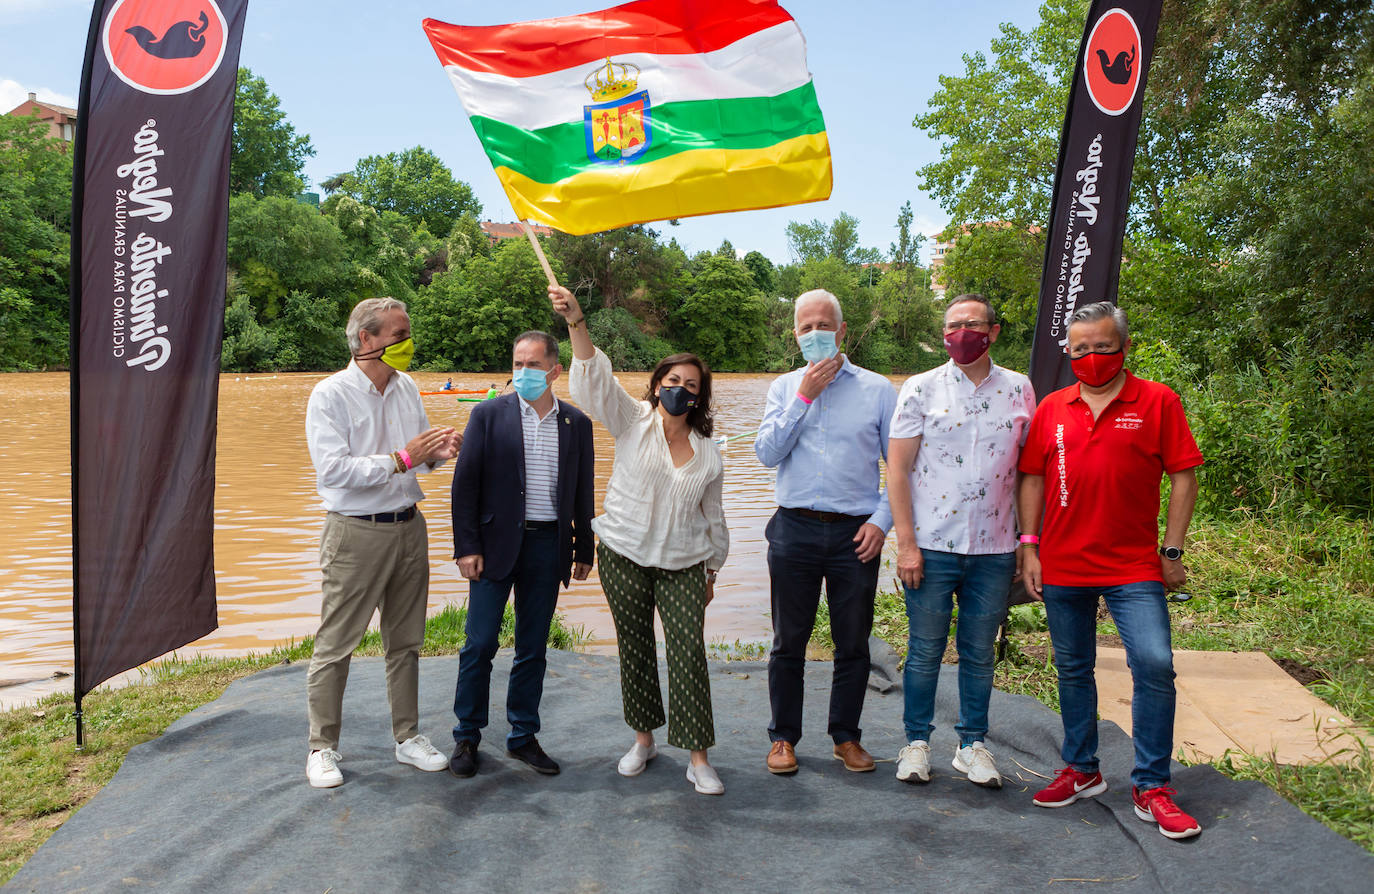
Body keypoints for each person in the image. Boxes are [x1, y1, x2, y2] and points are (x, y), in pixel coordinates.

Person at [1018, 301, 1204, 840]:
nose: (1091, 357)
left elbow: (1185, 475)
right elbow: (1031, 476)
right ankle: (1082, 768)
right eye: (1080, 349)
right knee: (1072, 669)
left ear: (1123, 346)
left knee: (1153, 664)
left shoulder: (1158, 401)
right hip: (1063, 562)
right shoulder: (1052, 406)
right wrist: (1029, 547)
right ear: (1068, 352)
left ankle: (1152, 785)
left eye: (1102, 347)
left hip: (1132, 565)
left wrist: (1171, 551)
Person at [550, 284, 731, 796]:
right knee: (633, 648)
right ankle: (644, 740)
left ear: (700, 396)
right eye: (673, 380)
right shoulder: (632, 422)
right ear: (656, 386)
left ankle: (697, 758)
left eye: (691, 385)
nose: (681, 389)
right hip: (623, 555)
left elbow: (714, 518)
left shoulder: (709, 453)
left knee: (688, 652)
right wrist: (576, 322)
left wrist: (713, 569)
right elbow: (595, 382)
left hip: (684, 564)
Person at [303, 297, 462, 788]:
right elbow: (333, 471)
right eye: (398, 335)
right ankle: (322, 748)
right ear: (366, 340)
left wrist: (439, 453)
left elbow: (417, 457)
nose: (407, 343)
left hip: (408, 527)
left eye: (407, 333)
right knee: (336, 644)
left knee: (406, 641)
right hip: (354, 531)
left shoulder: (406, 386)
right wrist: (401, 457)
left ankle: (408, 737)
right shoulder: (329, 395)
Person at [887, 295, 1035, 788]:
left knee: (978, 651)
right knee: (925, 649)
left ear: (992, 331)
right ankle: (916, 743)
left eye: (970, 325)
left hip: (994, 549)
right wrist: (906, 544)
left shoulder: (1019, 389)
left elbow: (1025, 474)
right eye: (952, 326)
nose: (960, 333)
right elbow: (899, 472)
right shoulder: (920, 389)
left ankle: (972, 745)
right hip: (931, 546)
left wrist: (1025, 541)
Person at [754, 289, 897, 775]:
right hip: (793, 528)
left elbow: (899, 468)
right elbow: (766, 454)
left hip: (855, 534)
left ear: (842, 331)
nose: (814, 335)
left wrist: (882, 522)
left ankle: (846, 736)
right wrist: (804, 397)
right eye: (804, 327)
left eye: (823, 326)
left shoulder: (878, 391)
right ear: (795, 336)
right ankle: (783, 738)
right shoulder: (783, 388)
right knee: (787, 640)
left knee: (853, 641)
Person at [447, 331, 595, 778]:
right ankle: (467, 736)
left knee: (532, 648)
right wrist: (466, 547)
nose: (524, 373)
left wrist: (583, 547)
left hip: (548, 546)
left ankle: (522, 736)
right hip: (493, 549)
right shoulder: (488, 415)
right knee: (479, 644)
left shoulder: (576, 423)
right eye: (518, 364)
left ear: (555, 370)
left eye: (533, 365)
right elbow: (464, 485)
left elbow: (583, 491)